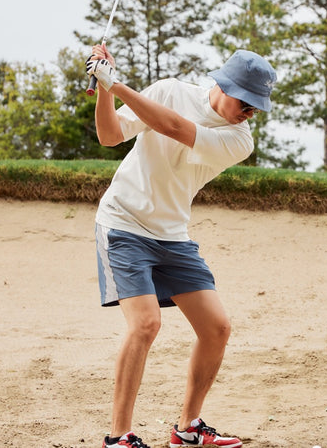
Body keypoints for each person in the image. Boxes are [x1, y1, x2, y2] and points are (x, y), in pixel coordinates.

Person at [85, 45, 277, 448]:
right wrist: (104, 90)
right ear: (225, 84)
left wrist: (114, 82)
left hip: (172, 235)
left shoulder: (238, 138)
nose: (250, 112)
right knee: (146, 324)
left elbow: (175, 128)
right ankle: (118, 438)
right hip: (123, 222)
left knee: (217, 328)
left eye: (257, 107)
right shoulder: (171, 90)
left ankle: (188, 427)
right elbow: (110, 136)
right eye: (247, 101)